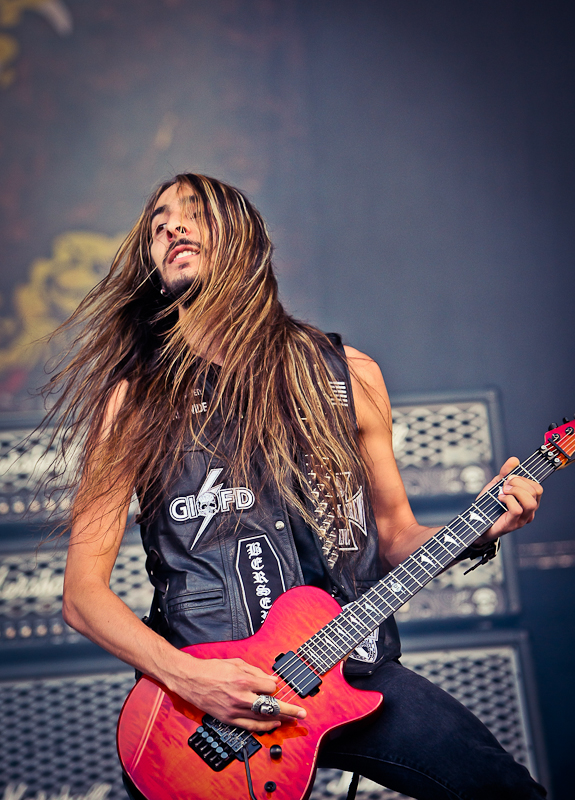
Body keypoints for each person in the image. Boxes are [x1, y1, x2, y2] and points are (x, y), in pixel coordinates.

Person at [53, 173, 546, 799]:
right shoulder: (136, 400)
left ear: (245, 236)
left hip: (351, 668)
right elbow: (83, 596)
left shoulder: (349, 377)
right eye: (158, 224)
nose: (172, 226)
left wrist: (480, 527)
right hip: (205, 711)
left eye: (194, 212)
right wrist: (188, 678)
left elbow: (393, 535)